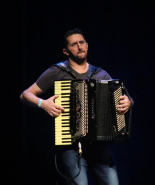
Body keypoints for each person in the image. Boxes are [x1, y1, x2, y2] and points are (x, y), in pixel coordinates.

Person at [20, 28, 132, 185]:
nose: (79, 47)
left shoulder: (100, 74)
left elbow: (125, 98)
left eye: (81, 43)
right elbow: (25, 94)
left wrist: (127, 102)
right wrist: (42, 103)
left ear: (87, 45)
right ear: (66, 51)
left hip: (99, 146)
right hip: (70, 146)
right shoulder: (57, 71)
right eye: (74, 44)